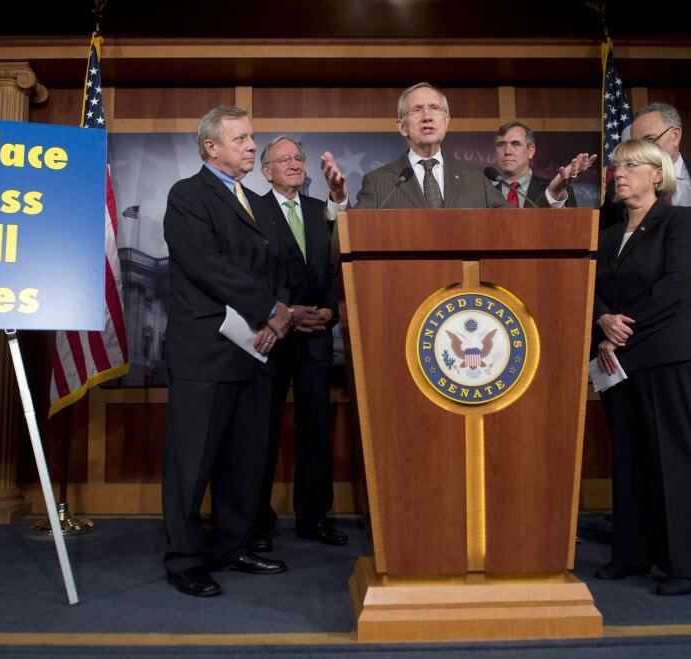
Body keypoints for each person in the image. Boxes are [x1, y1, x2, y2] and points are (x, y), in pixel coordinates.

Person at [161, 105, 293, 598]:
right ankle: (183, 559)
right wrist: (269, 309)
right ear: (211, 146)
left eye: (251, 138)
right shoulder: (187, 195)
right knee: (191, 463)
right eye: (240, 139)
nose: (251, 146)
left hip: (256, 349)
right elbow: (206, 265)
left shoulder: (257, 202)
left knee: (245, 461)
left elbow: (277, 264)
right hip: (206, 351)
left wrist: (276, 321)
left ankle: (232, 546)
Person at [592, 139, 691, 597]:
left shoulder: (682, 223)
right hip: (616, 362)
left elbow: (677, 288)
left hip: (668, 356)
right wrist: (601, 318)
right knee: (630, 460)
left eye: (631, 165)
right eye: (616, 166)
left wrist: (621, 329)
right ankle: (632, 554)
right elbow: (589, 284)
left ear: (658, 174)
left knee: (675, 461)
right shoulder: (608, 233)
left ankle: (686, 563)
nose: (620, 173)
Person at [250, 136, 346, 554]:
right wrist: (285, 312)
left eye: (297, 158)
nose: (292, 164)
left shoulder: (319, 211)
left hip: (316, 338)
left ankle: (314, 516)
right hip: (270, 338)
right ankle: (256, 519)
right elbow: (249, 273)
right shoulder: (251, 210)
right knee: (260, 432)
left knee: (315, 432)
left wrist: (328, 313)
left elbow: (337, 268)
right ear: (266, 171)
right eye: (282, 159)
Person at [320, 82, 596, 211]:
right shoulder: (379, 182)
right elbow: (350, 237)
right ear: (401, 126)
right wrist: (338, 198)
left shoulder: (478, 179)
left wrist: (554, 192)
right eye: (416, 110)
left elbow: (521, 227)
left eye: (435, 109)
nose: (427, 116)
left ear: (446, 120)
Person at [601, 102, 691, 226]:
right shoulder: (620, 185)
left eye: (649, 140)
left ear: (675, 136)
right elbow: (599, 233)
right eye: (637, 144)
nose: (642, 150)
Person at [494, 121, 582, 208]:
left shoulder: (559, 191)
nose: (507, 151)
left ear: (531, 151)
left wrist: (554, 194)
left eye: (516, 144)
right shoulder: (484, 194)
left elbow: (570, 221)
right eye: (501, 145)